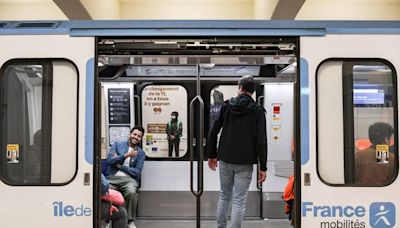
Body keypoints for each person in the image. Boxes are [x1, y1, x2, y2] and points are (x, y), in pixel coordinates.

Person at [206, 75, 267, 228]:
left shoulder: (227, 106)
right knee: (239, 200)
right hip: (245, 162)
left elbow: (213, 131)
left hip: (225, 159)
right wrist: (263, 166)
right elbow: (261, 140)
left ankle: (221, 227)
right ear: (253, 91)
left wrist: (211, 155)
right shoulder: (258, 111)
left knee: (224, 195)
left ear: (240, 88)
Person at [107, 126, 146, 228]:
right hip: (113, 177)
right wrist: (125, 156)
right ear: (130, 134)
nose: (136, 137)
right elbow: (110, 161)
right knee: (105, 190)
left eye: (139, 136)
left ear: (141, 139)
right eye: (135, 134)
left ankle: (130, 220)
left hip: (129, 179)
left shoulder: (141, 153)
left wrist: (121, 166)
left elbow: (137, 172)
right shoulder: (117, 145)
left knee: (132, 192)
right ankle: (108, 218)